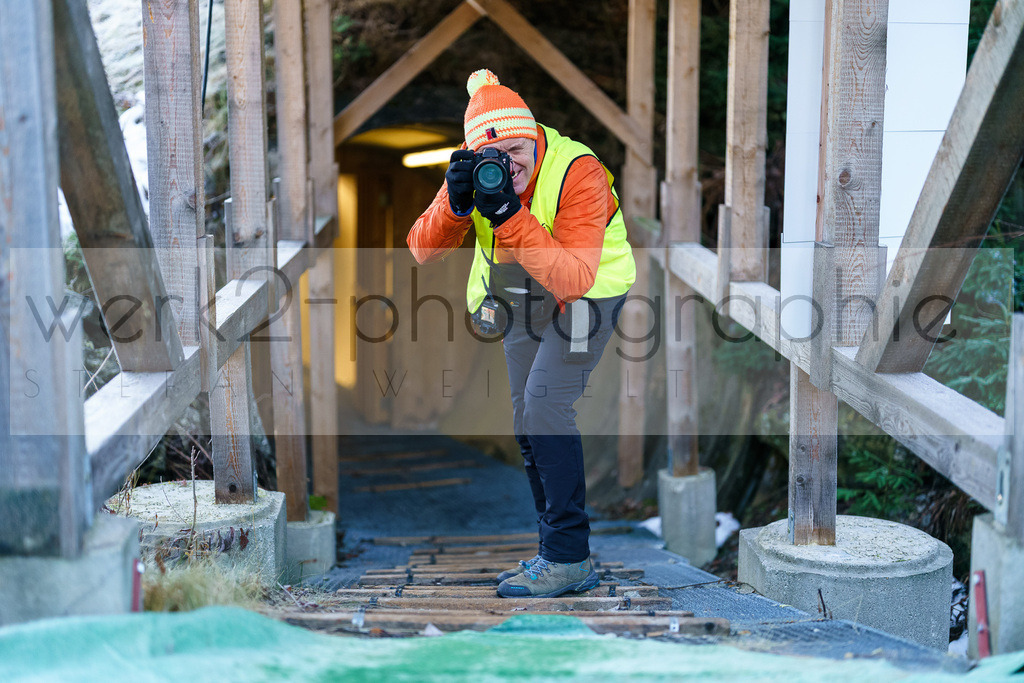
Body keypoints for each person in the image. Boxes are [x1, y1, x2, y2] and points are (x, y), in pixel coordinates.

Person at [407, 69, 635, 598]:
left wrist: (508, 213)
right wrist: (455, 206)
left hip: (588, 294)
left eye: (517, 148)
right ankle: (553, 553)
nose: (508, 165)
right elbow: (421, 249)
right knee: (526, 422)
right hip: (521, 297)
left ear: (534, 133)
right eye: (495, 155)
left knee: (545, 407)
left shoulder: (578, 171)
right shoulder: (478, 169)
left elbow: (575, 278)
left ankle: (567, 558)